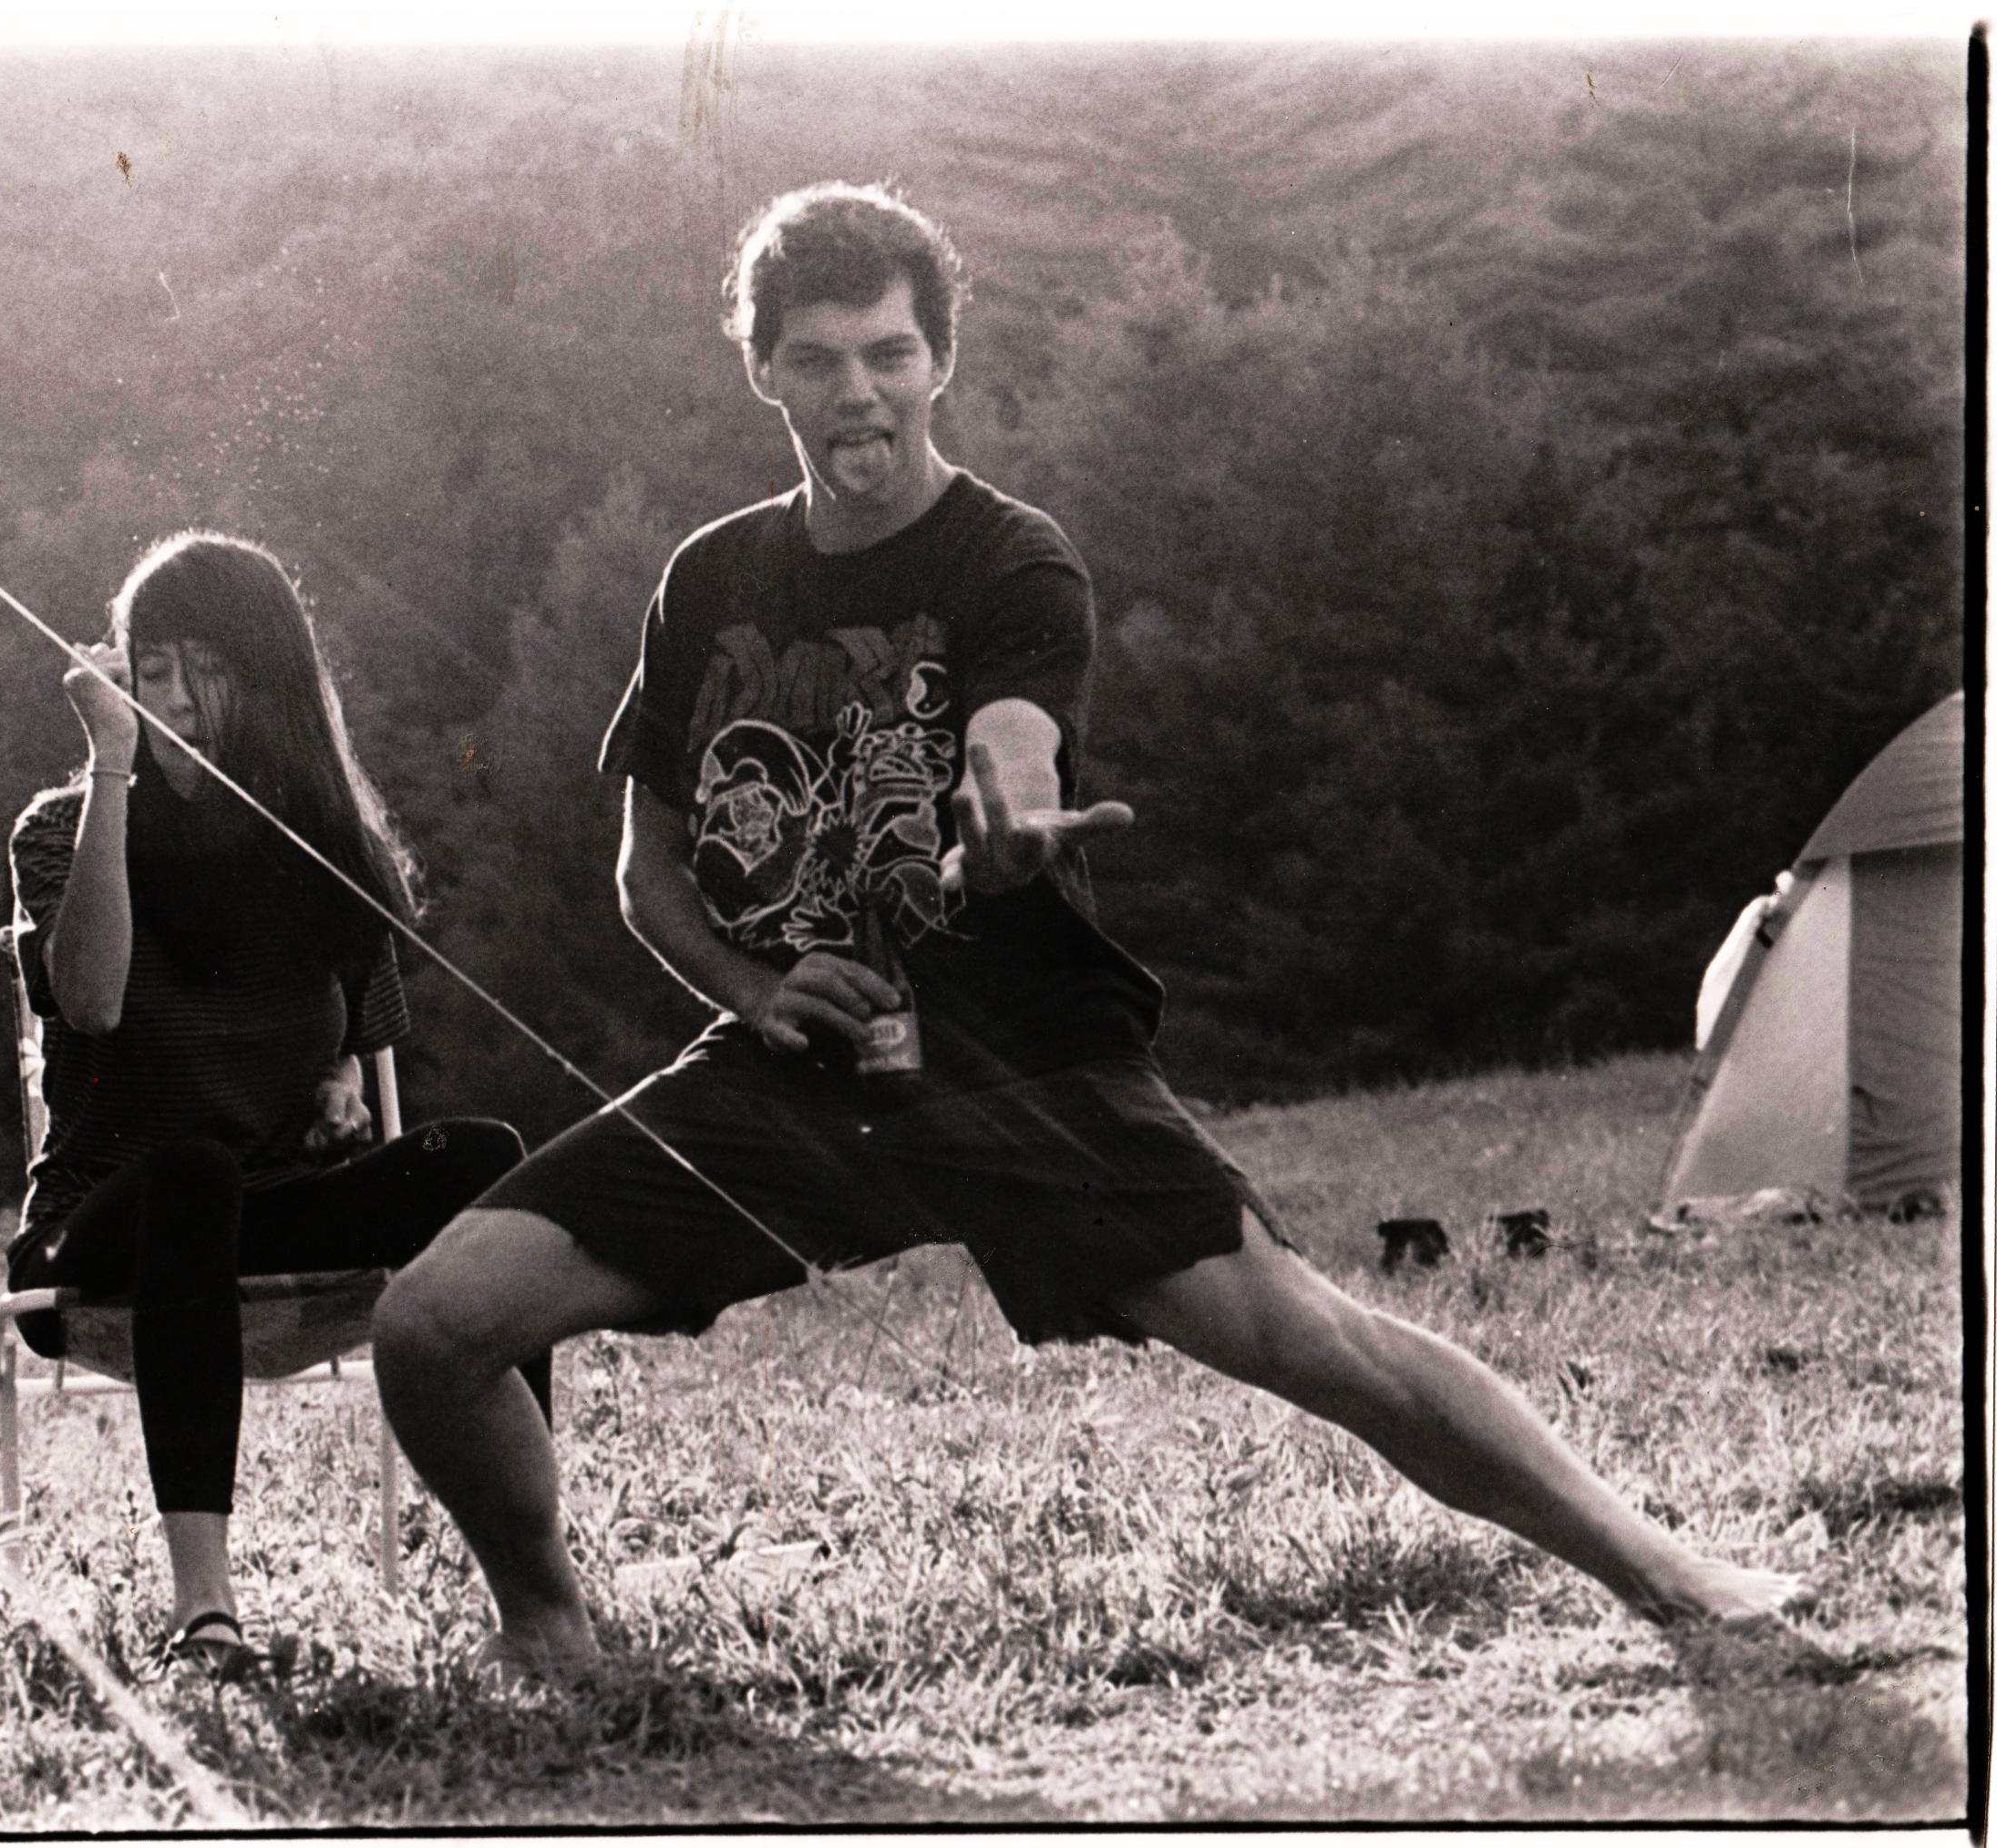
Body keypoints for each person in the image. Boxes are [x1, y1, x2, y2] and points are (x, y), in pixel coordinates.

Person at [369, 182, 1803, 1668]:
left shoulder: (1011, 559)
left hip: (1021, 1062)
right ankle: (550, 1637)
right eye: (817, 357)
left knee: (1317, 1342)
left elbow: (1015, 754)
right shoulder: (709, 577)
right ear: (764, 370)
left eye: (887, 351)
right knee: (435, 1322)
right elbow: (646, 866)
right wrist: (750, 986)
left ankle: (1668, 1571)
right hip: (801, 1066)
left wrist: (1002, 833)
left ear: (939, 359)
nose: (856, 389)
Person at [5, 531, 545, 1668]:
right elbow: (92, 1002)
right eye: (149, 663)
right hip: (106, 1234)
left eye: (201, 666)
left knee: (482, 1155)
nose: (168, 694)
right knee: (195, 1169)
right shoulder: (64, 828)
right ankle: (205, 1610)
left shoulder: (318, 843)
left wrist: (341, 1084)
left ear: (264, 677)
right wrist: (111, 768)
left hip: (268, 1209)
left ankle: (531, 1578)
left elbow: (353, 1024)